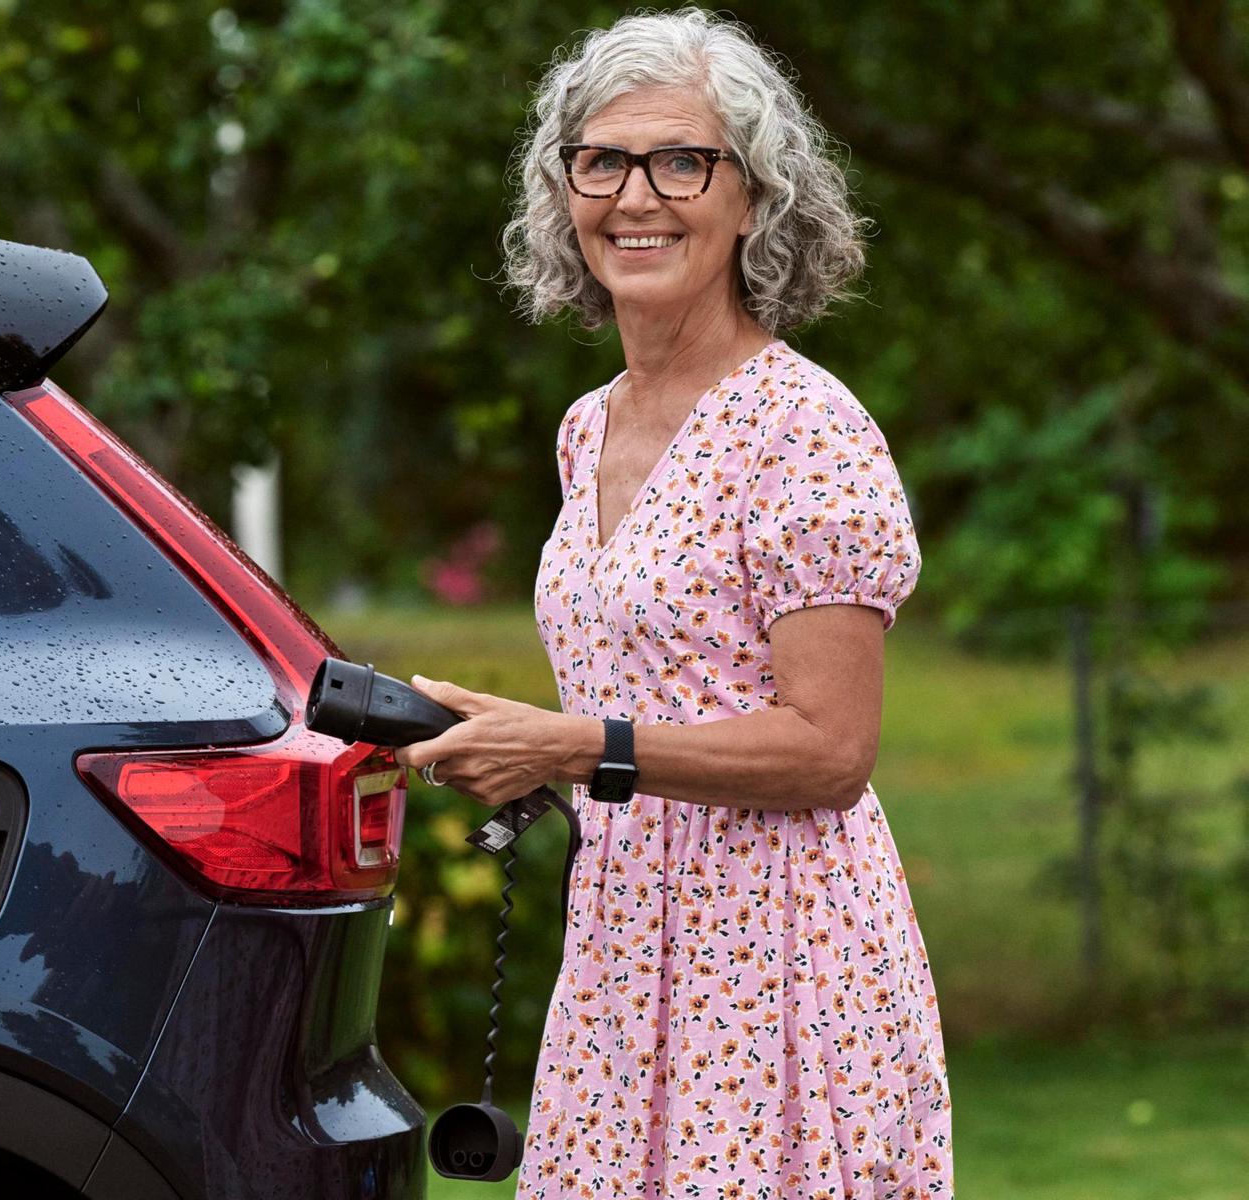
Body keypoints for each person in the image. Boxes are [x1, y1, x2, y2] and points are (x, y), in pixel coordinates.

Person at [394, 9, 953, 1197]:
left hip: (781, 963)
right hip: (621, 940)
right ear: (564, 192)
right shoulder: (583, 425)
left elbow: (829, 750)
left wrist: (571, 743)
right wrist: (497, 732)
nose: (634, 196)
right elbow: (644, 697)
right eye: (600, 160)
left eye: (680, 161)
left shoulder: (806, 432)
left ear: (752, 199)